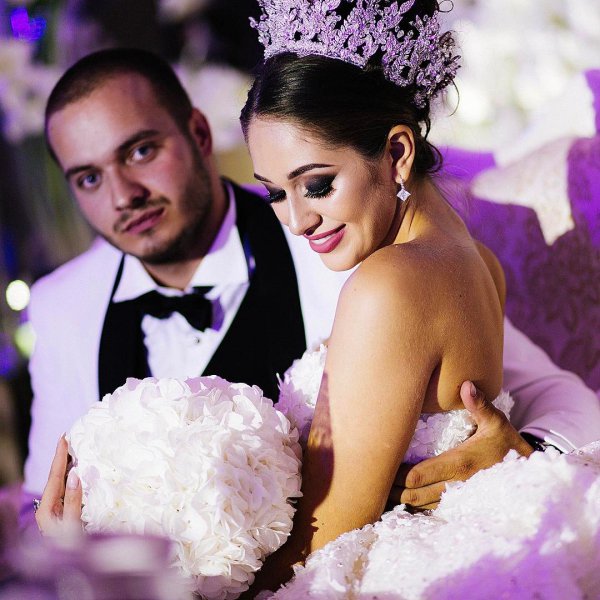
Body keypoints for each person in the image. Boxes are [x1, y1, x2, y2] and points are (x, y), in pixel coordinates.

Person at [29, 40, 600, 533]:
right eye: (88, 177)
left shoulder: (358, 242)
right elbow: (40, 492)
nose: (122, 193)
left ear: (199, 133)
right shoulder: (60, 307)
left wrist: (526, 453)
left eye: (140, 151)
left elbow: (546, 389)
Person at [230, 0, 600, 593]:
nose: (297, 220)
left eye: (317, 184)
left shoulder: (388, 284)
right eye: (275, 193)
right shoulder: (476, 260)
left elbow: (329, 529)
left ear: (398, 153)